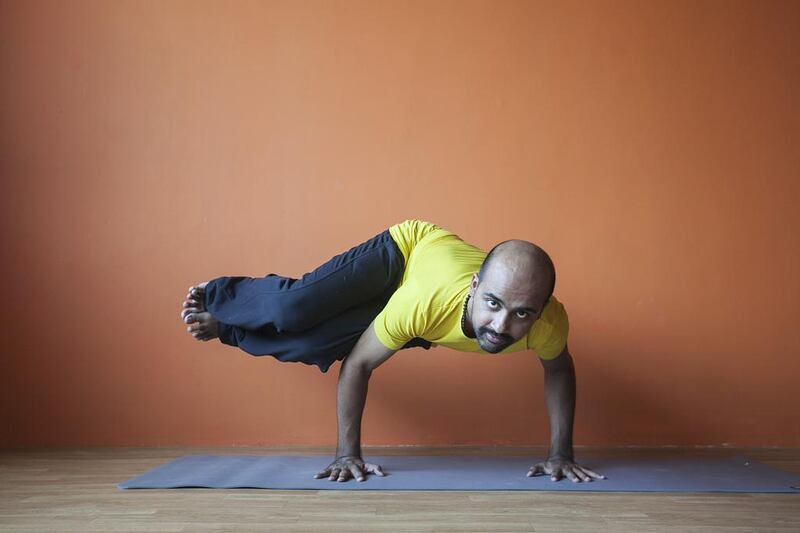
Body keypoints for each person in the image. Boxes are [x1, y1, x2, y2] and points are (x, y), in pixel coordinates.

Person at [180, 220, 604, 484]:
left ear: (541, 310)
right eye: (492, 303)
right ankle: (221, 297)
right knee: (295, 310)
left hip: (426, 314)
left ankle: (226, 330)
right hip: (403, 256)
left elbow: (559, 370)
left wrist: (560, 454)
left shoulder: (549, 324)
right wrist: (348, 455)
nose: (501, 326)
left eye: (522, 313)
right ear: (476, 286)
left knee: (310, 346)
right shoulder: (423, 302)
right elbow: (359, 364)